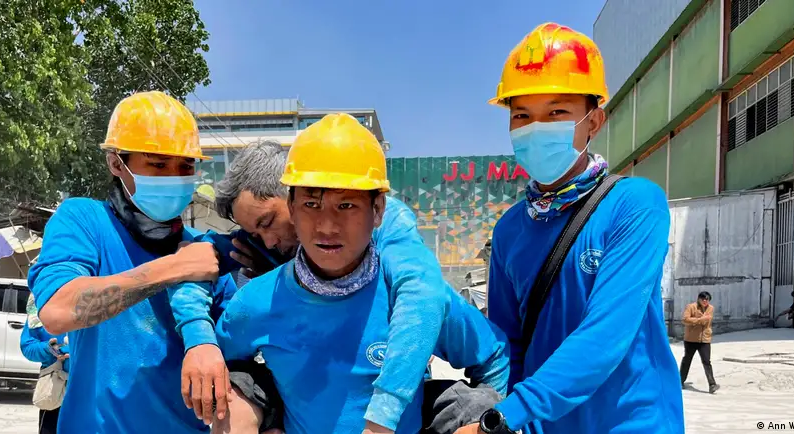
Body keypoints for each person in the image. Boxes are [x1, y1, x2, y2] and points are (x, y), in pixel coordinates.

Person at [214, 113, 509, 433]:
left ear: (378, 210)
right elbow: (221, 365)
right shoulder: (255, 303)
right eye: (311, 205)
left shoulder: (414, 301)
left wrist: (487, 419)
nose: (327, 226)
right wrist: (263, 414)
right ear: (292, 207)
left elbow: (494, 356)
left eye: (346, 206)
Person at [474, 23, 684, 433]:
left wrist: (507, 415)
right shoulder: (510, 229)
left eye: (556, 112)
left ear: (594, 121)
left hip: (632, 424)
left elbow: (606, 333)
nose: (537, 128)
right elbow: (507, 343)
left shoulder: (634, 204)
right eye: (522, 116)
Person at [175, 140, 458, 431]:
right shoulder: (260, 251)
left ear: (293, 195)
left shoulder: (381, 221)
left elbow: (422, 291)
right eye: (255, 233)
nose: (268, 242)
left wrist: (384, 416)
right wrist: (199, 339)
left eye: (268, 222)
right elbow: (192, 264)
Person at [28, 91, 253, 434]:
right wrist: (174, 268)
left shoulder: (204, 252)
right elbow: (58, 310)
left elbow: (240, 349)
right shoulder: (85, 220)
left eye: (185, 166)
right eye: (158, 165)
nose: (175, 177)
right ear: (116, 163)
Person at [19, 294, 70, 434]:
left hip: (92, 387)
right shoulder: (39, 304)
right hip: (55, 388)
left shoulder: (96, 298)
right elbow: (28, 346)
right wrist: (48, 349)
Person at [679, 292, 718, 394]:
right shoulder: (691, 307)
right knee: (687, 360)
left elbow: (707, 320)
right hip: (691, 339)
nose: (705, 301)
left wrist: (700, 320)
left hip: (705, 339)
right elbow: (685, 319)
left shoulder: (711, 308)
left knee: (707, 361)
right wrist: (699, 319)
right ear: (699, 299)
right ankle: (680, 381)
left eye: (707, 299)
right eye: (703, 299)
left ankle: (712, 384)